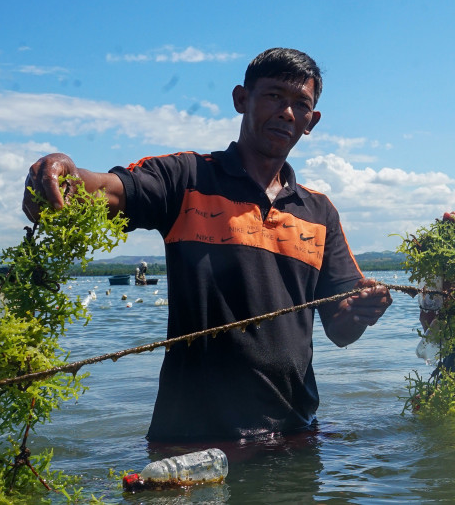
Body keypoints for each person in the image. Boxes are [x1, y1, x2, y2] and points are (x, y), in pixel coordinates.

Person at [22, 47, 392, 441]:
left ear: (310, 122)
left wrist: (364, 309)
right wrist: (63, 173)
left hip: (293, 438)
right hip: (191, 439)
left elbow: (340, 330)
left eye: (301, 104)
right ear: (241, 99)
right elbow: (110, 191)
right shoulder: (186, 178)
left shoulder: (319, 212)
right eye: (273, 96)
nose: (286, 112)